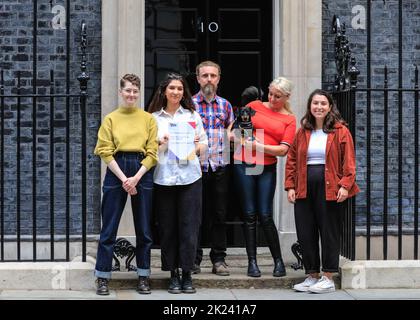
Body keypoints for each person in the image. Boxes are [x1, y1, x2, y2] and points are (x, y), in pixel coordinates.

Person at [285, 89, 359, 293]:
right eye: (315, 103)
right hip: (303, 187)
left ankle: (327, 277)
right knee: (306, 231)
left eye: (323, 103)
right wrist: (290, 186)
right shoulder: (302, 132)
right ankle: (312, 275)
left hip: (331, 188)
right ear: (310, 106)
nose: (318, 107)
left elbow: (349, 162)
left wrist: (345, 185)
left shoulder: (340, 131)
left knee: (329, 232)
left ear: (330, 107)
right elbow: (291, 159)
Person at [93, 74, 158, 295]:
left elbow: (153, 152)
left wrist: (137, 177)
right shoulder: (111, 118)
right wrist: (124, 179)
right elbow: (104, 150)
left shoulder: (148, 119)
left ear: (139, 93)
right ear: (121, 92)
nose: (131, 94)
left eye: (135, 91)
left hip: (142, 169)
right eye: (128, 90)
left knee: (144, 228)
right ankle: (102, 276)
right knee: (108, 228)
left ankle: (143, 275)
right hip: (116, 168)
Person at [148, 73, 208, 294]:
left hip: (190, 177)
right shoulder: (153, 118)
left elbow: (205, 144)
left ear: (184, 92)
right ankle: (173, 274)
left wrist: (197, 146)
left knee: (189, 226)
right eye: (172, 88)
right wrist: (160, 144)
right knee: (168, 227)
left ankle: (187, 273)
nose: (176, 92)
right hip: (164, 178)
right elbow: (148, 150)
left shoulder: (192, 115)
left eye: (180, 89)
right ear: (164, 91)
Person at [232, 77, 296, 277]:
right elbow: (236, 132)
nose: (273, 98)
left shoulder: (289, 119)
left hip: (267, 168)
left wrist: (259, 147)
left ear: (287, 97)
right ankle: (252, 262)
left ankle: (278, 261)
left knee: (265, 214)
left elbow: (283, 150)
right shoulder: (253, 105)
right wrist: (245, 139)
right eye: (271, 94)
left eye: (278, 96)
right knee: (249, 214)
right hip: (244, 163)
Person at [192, 61, 234, 276]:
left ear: (219, 78)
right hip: (194, 166)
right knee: (195, 214)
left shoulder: (225, 105)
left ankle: (219, 260)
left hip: (219, 166)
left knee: (219, 214)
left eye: (213, 75)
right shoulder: (188, 105)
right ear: (198, 78)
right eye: (205, 75)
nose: (209, 79)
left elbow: (232, 132)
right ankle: (194, 259)